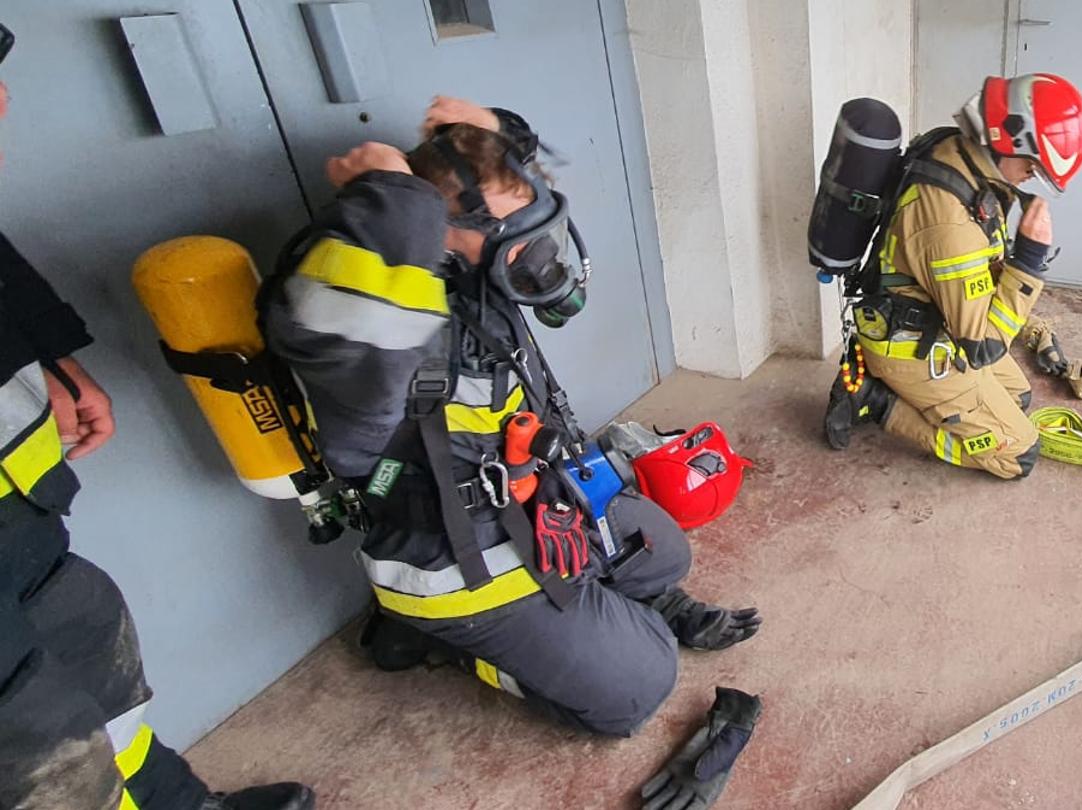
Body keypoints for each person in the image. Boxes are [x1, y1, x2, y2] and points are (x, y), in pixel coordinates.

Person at [259, 97, 760, 738]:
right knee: (638, 684)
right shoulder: (365, 302)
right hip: (453, 551)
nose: (535, 257)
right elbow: (362, 390)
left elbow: (531, 255)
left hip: (530, 490)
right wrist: (392, 195)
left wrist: (498, 134)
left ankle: (584, 622)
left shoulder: (467, 265)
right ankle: (457, 648)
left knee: (665, 557)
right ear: (432, 231)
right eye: (512, 239)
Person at [0, 40, 315, 810]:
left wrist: (53, 356)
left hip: (19, 508)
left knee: (89, 663)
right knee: (36, 751)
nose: (5, 105)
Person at [822, 73, 1082, 479]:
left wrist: (1054, 353)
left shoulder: (961, 156)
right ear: (1009, 141)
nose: (1030, 177)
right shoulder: (951, 223)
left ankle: (906, 394)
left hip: (938, 322)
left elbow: (983, 278)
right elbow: (982, 347)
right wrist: (1029, 261)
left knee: (1019, 397)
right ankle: (873, 399)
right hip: (913, 348)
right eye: (1033, 166)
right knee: (1017, 455)